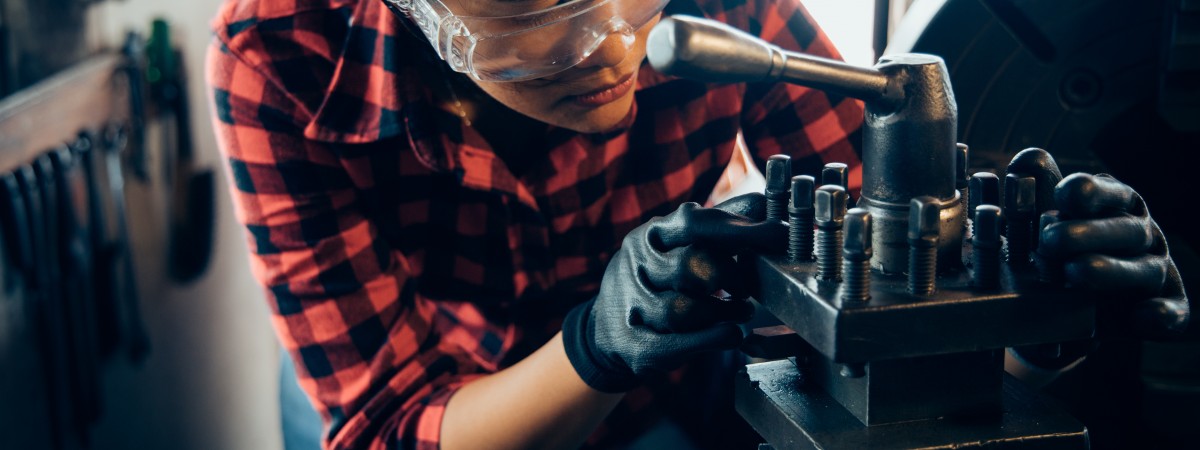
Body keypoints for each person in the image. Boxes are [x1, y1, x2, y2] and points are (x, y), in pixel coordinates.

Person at [205, 0, 1189, 449]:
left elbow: (913, 294)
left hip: (650, 403)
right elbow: (390, 421)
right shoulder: (281, 59)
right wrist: (593, 343)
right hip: (432, 400)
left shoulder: (723, 7)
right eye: (538, 5)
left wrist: (1038, 324)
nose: (611, 40)